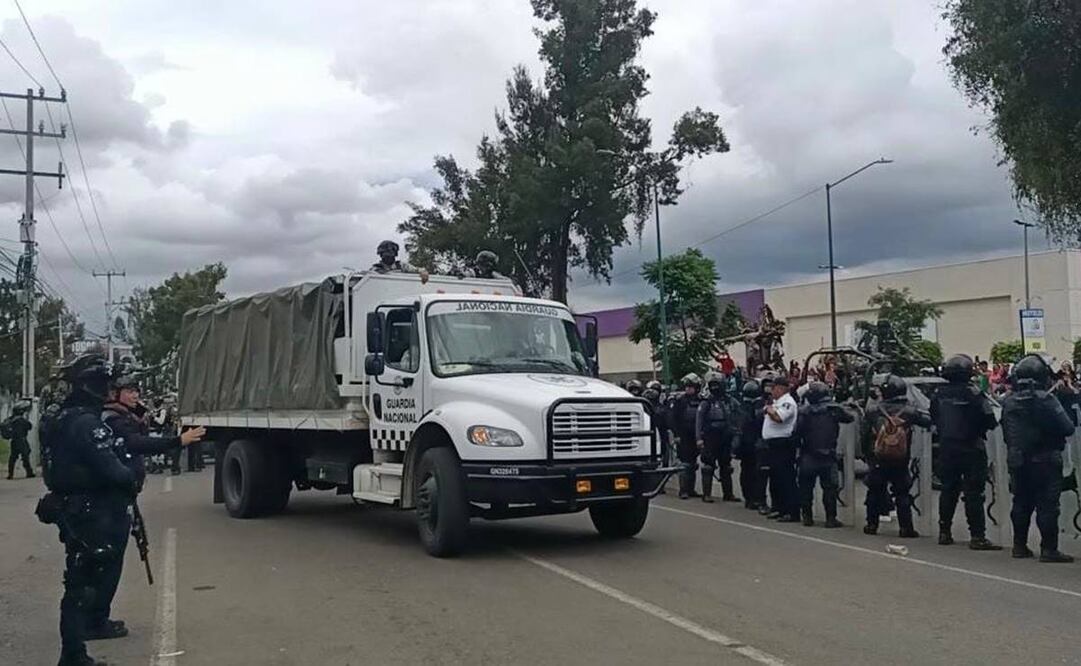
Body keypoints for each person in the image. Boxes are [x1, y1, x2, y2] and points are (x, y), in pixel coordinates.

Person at [39, 354, 135, 666]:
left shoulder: (60, 418)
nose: (109, 391)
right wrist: (129, 478)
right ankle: (73, 656)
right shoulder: (85, 423)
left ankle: (76, 650)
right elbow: (113, 470)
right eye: (105, 385)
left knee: (79, 581)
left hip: (74, 508)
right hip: (92, 511)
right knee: (84, 585)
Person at [92, 376, 204, 634]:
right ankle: (95, 620)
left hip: (120, 495)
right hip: (110, 497)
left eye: (136, 391)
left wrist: (141, 410)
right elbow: (136, 443)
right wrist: (178, 441)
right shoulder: (113, 419)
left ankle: (98, 617)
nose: (135, 396)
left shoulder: (121, 416)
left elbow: (143, 428)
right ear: (114, 393)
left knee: (110, 560)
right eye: (130, 391)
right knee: (107, 561)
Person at [1001, 354, 1076, 562]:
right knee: (1048, 504)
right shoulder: (1046, 400)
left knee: (1021, 502)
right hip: (1045, 458)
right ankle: (1049, 549)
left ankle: (1019, 545)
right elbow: (1068, 427)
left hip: (1017, 459)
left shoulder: (1009, 401)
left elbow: (1005, 429)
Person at [930, 354, 1001, 550]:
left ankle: (944, 532)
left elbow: (934, 417)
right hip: (971, 447)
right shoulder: (974, 393)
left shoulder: (939, 393)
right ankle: (977, 536)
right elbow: (990, 420)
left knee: (948, 489)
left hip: (947, 447)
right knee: (974, 493)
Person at [861, 374, 932, 537]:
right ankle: (906, 528)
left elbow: (864, 435)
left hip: (879, 457)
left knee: (874, 491)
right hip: (900, 458)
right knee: (902, 493)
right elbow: (928, 421)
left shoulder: (873, 410)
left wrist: (868, 455)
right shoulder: (909, 410)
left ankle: (871, 525)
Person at [795, 381, 853, 528]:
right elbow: (849, 417)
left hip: (808, 453)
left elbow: (797, 432)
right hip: (828, 454)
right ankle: (830, 518)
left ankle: (807, 517)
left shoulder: (805, 411)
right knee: (830, 488)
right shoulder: (834, 409)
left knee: (805, 487)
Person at [696, 372, 742, 503]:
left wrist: (737, 432)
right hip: (710, 436)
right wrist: (698, 438)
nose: (715, 387)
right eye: (713, 385)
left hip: (726, 436)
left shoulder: (730, 401)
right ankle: (707, 494)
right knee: (708, 466)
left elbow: (739, 416)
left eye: (717, 384)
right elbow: (698, 421)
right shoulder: (706, 402)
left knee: (726, 466)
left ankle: (728, 494)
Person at [762, 374, 800, 522]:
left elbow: (779, 418)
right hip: (773, 445)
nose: (771, 391)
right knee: (775, 478)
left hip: (783, 444)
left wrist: (769, 409)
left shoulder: (788, 402)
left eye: (774, 388)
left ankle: (791, 511)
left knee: (786, 479)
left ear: (781, 388)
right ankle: (778, 508)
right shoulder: (777, 401)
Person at [670, 374, 704, 499]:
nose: (688, 389)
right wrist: (677, 434)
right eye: (687, 387)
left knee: (693, 463)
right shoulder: (680, 401)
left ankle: (691, 489)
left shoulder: (701, 400)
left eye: (691, 387)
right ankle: (683, 490)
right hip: (683, 436)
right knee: (684, 464)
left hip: (695, 436)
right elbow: (673, 419)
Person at [736, 380, 765, 511]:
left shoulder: (743, 406)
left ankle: (753, 498)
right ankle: (751, 498)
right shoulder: (744, 407)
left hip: (751, 442)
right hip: (748, 443)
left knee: (751, 471)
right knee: (751, 471)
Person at [644, 380, 671, 472]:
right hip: (647, 434)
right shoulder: (643, 405)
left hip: (661, 434)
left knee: (664, 449)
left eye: (656, 390)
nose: (653, 392)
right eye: (651, 389)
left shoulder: (662, 407)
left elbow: (668, 422)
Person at [4, 401, 35, 479]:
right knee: (25, 457)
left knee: (13, 458)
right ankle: (29, 472)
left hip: (14, 441)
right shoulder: (21, 420)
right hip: (22, 440)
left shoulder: (11, 419)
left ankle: (10, 474)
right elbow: (29, 426)